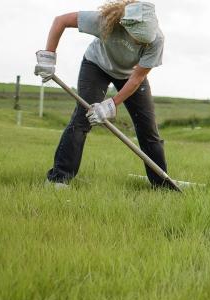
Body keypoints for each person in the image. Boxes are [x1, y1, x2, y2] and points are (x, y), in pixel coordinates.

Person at [38, 1, 168, 189]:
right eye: (139, 39)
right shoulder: (105, 21)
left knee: (148, 128)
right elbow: (60, 21)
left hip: (130, 76)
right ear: (126, 25)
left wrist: (111, 105)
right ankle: (59, 179)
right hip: (96, 66)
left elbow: (137, 78)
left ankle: (161, 184)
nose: (143, 44)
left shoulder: (157, 40)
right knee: (83, 118)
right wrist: (48, 57)